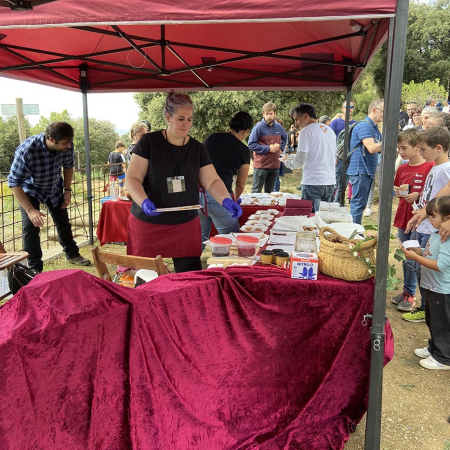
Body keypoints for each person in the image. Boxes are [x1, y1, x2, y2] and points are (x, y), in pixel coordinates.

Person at [125, 92, 241, 273]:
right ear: (168, 117)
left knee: (188, 275)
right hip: (149, 223)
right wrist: (143, 201)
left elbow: (212, 180)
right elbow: (132, 179)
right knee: (146, 276)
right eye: (181, 119)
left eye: (189, 119)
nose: (186, 124)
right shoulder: (149, 142)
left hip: (185, 224)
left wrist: (225, 199)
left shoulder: (197, 148)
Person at [7, 122, 91, 273]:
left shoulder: (67, 145)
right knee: (31, 228)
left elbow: (68, 166)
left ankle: (72, 254)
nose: (68, 146)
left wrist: (67, 190)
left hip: (54, 187)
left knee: (63, 221)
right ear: (51, 139)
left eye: (69, 142)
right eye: (65, 143)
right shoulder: (27, 151)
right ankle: (34, 268)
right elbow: (14, 183)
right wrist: (31, 210)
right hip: (30, 190)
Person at [403, 127, 450, 323]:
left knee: (427, 268)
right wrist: (421, 208)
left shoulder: (446, 168)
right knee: (420, 268)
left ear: (438, 148)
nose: (420, 153)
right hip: (425, 225)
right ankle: (426, 307)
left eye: (423, 149)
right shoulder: (434, 166)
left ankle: (427, 307)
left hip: (434, 228)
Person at [402, 196, 450, 370]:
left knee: (442, 323)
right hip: (432, 286)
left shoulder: (447, 238)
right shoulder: (437, 233)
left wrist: (416, 258)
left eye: (433, 216)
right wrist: (419, 251)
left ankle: (444, 358)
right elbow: (430, 252)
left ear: (448, 218)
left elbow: (441, 265)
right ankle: (434, 348)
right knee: (432, 320)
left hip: (442, 289)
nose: (430, 220)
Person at [391, 129, 434, 312]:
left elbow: (431, 193)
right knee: (405, 257)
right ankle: (407, 291)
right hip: (404, 216)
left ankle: (415, 297)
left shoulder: (430, 167)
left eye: (404, 148)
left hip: (421, 221)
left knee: (416, 260)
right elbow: (396, 189)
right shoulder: (402, 168)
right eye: (399, 149)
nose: (401, 152)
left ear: (418, 147)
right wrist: (400, 191)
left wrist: (417, 195)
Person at [198, 112, 253, 246]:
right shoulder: (244, 150)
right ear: (246, 131)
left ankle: (191, 266)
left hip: (198, 194)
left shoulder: (211, 138)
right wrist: (234, 199)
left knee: (199, 240)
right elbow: (240, 184)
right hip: (221, 196)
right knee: (230, 243)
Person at [283, 103, 336, 212]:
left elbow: (300, 159)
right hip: (330, 182)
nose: (296, 123)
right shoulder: (329, 130)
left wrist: (288, 163)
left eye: (297, 119)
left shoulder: (306, 132)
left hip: (313, 182)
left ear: (306, 116)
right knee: (326, 219)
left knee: (310, 220)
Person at [346, 99, 383, 224]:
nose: (385, 114)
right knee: (357, 206)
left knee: (360, 205)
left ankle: (356, 231)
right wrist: (391, 141)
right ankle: (354, 233)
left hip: (366, 171)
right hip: (360, 170)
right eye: (383, 111)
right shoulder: (364, 126)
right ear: (374, 110)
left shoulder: (374, 128)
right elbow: (372, 148)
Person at [248, 102, 287, 193]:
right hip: (261, 166)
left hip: (275, 165)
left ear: (275, 113)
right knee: (256, 192)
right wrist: (268, 149)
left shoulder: (279, 127)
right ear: (263, 114)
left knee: (270, 193)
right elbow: (251, 144)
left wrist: (281, 148)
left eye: (271, 114)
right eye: (266, 114)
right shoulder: (258, 128)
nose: (268, 116)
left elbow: (285, 137)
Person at [330, 101, 357, 203]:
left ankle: (339, 205)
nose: (349, 108)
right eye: (347, 106)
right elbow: (328, 140)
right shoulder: (335, 123)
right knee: (335, 184)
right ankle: (330, 204)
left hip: (349, 159)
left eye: (351, 107)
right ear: (342, 108)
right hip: (337, 158)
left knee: (343, 185)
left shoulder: (355, 124)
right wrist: (333, 156)